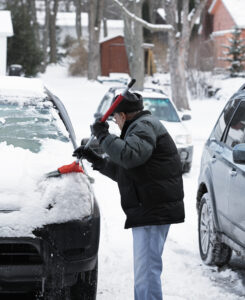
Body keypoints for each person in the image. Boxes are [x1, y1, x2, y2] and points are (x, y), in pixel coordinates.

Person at [73, 91, 185, 300]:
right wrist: (95, 159)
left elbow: (129, 156)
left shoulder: (143, 127)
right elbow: (124, 170)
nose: (115, 123)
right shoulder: (140, 128)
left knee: (147, 271)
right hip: (150, 207)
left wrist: (103, 136)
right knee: (145, 270)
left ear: (123, 115)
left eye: (115, 118)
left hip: (153, 209)